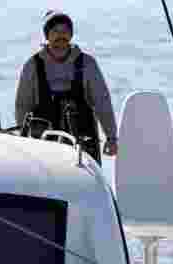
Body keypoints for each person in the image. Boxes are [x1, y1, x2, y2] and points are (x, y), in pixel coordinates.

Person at [14, 10, 118, 162]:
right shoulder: (33, 66)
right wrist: (23, 140)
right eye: (55, 31)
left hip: (83, 144)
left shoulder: (87, 64)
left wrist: (111, 137)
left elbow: (102, 101)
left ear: (71, 35)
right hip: (44, 144)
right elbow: (22, 105)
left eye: (65, 31)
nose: (60, 36)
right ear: (47, 35)